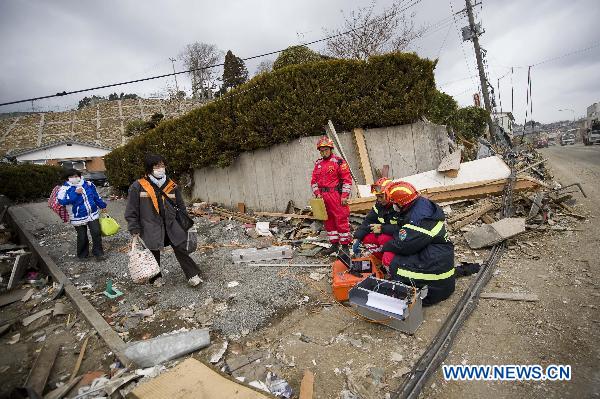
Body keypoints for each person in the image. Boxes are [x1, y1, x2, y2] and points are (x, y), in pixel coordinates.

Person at [124, 154, 203, 287]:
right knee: (153, 250)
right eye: (157, 166)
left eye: (162, 165)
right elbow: (132, 209)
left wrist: (184, 222)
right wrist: (134, 227)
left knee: (180, 248)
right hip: (150, 225)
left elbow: (181, 206)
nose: (161, 168)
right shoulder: (138, 186)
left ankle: (192, 274)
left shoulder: (171, 185)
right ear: (149, 169)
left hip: (171, 224)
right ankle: (156, 277)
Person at [380, 181, 455, 305]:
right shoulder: (420, 204)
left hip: (435, 266)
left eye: (394, 202)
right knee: (389, 244)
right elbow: (404, 230)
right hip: (436, 254)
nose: (393, 205)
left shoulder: (417, 218)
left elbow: (404, 246)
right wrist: (385, 230)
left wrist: (385, 247)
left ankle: (399, 283)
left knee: (390, 258)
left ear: (401, 202)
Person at [310, 136, 352, 261]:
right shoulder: (318, 164)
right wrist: (317, 193)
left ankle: (345, 246)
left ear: (331, 149)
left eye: (325, 150)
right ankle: (334, 244)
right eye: (321, 150)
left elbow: (347, 180)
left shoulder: (339, 162)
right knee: (328, 221)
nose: (323, 152)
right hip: (323, 197)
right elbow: (313, 181)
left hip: (336, 196)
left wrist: (344, 196)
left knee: (341, 220)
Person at [57, 168, 107, 261]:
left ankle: (98, 253)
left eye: (76, 176)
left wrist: (102, 205)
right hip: (77, 216)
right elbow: (63, 202)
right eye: (71, 176)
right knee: (82, 236)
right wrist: (75, 194)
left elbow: (96, 196)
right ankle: (83, 255)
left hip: (92, 213)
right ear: (67, 178)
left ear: (80, 176)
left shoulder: (88, 184)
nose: (74, 178)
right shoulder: (64, 189)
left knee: (96, 232)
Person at [351, 177, 399, 260]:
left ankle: (392, 262)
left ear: (390, 194)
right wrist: (357, 238)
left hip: (400, 239)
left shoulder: (399, 206)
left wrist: (382, 228)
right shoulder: (378, 206)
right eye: (377, 197)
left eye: (381, 197)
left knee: (383, 238)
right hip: (386, 235)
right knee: (368, 239)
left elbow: (403, 229)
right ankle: (381, 261)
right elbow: (367, 223)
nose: (379, 200)